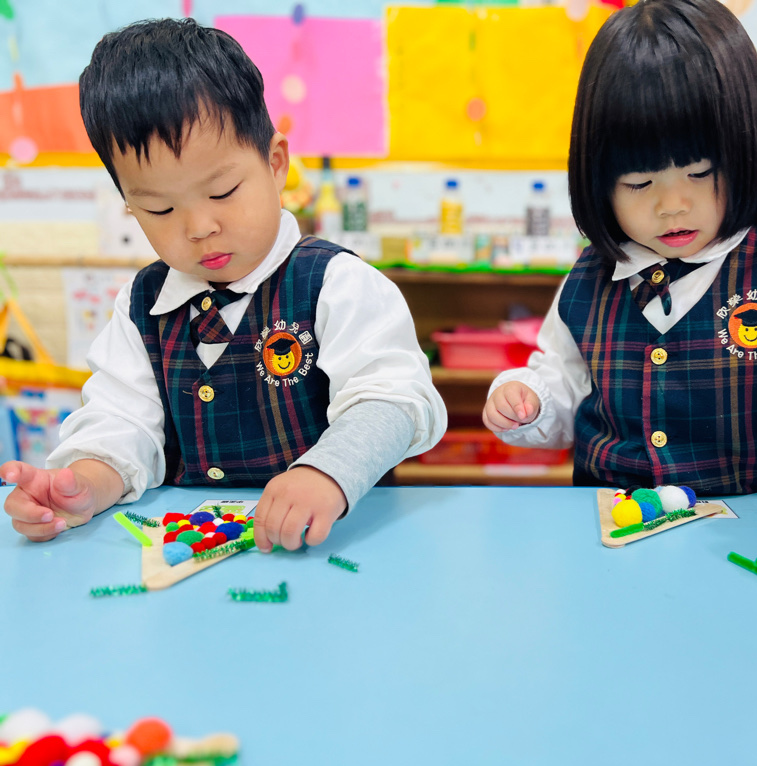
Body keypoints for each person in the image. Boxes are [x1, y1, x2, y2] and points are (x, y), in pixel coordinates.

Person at [482, 0, 757, 578]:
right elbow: (564, 380)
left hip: (751, 542)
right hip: (613, 547)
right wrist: (529, 400)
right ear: (597, 181)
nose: (673, 204)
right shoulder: (588, 278)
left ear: (747, 150)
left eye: (700, 173)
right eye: (639, 182)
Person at [1, 18, 446, 551]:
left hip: (331, 547)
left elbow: (394, 400)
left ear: (275, 164)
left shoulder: (337, 284)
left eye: (223, 191)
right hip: (189, 554)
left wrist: (328, 472)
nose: (198, 227)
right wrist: (85, 485)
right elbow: (121, 422)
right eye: (159, 209)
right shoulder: (142, 306)